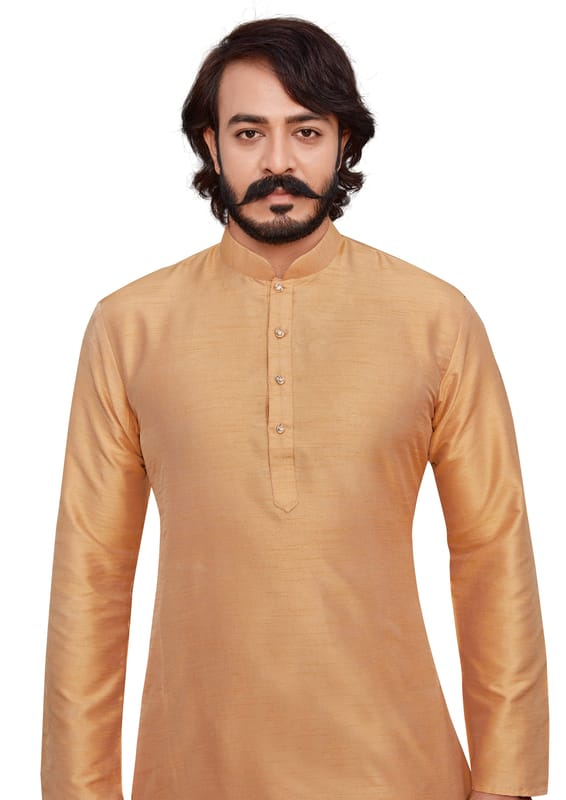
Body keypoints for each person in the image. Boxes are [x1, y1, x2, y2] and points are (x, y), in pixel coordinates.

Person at [40, 16, 549, 800]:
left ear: (343, 143)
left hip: (399, 773)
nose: (278, 161)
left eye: (305, 132)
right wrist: (80, 788)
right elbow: (92, 572)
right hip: (193, 773)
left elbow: (491, 552)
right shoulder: (130, 327)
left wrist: (508, 780)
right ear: (212, 146)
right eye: (249, 132)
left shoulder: (435, 320)